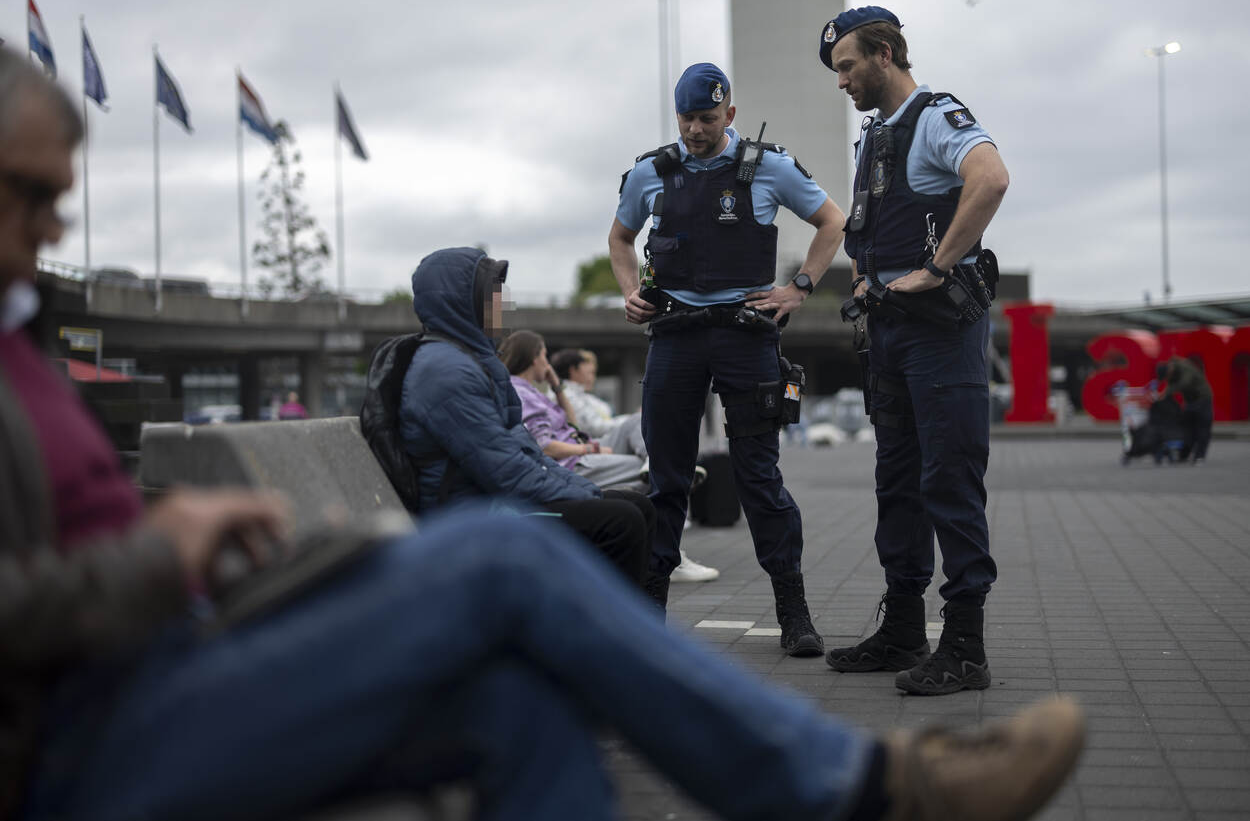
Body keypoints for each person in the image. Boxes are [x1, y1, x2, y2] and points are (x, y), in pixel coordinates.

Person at [0, 44, 1085, 821]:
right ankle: (863, 787)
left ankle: (823, 678)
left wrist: (795, 287)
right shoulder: (635, 193)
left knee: (526, 705)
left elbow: (830, 226)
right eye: (29, 194)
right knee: (515, 549)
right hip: (85, 727)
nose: (53, 225)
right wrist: (153, 556)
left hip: (167, 648)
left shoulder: (21, 339)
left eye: (60, 195)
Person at [609, 62, 845, 655]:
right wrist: (628, 291)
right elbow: (619, 239)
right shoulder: (651, 172)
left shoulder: (769, 168)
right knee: (666, 481)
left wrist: (799, 288)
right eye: (686, 119)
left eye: (707, 119)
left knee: (759, 479)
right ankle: (647, 617)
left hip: (746, 336)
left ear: (730, 115)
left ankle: (794, 612)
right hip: (675, 337)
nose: (694, 130)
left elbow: (832, 221)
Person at [818, 7, 1010, 694]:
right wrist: (867, 273)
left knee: (949, 481)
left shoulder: (936, 115)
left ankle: (965, 647)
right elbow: (872, 225)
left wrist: (938, 264)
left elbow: (989, 178)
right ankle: (903, 630)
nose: (841, 81)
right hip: (892, 335)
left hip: (940, 332)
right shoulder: (876, 137)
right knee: (896, 483)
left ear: (888, 52)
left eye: (847, 66)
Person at [396, 247, 651, 586]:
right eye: (494, 296)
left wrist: (584, 490)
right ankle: (609, 632)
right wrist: (587, 495)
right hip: (471, 515)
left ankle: (632, 625)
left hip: (489, 500)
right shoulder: (446, 371)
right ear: (463, 302)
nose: (503, 304)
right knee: (622, 521)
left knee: (637, 507)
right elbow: (504, 470)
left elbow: (524, 451)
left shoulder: (471, 361)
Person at [549, 346, 720, 582]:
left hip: (587, 448)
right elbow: (580, 431)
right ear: (573, 370)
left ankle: (652, 463)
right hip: (582, 455)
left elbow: (575, 428)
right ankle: (668, 556)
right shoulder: (556, 394)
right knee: (660, 463)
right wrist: (590, 445)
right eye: (589, 371)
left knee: (648, 441)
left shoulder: (572, 395)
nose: (593, 376)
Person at [499, 330, 646, 489]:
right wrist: (589, 449)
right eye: (544, 355)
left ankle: (651, 461)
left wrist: (557, 387)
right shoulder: (522, 393)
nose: (547, 363)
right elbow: (544, 446)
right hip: (572, 463)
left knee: (636, 422)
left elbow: (573, 427)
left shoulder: (530, 390)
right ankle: (652, 465)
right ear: (534, 358)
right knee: (641, 467)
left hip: (579, 449)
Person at [1156, 356, 1213, 463]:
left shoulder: (1184, 367)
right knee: (1187, 429)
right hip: (1190, 401)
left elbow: (1185, 383)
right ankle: (1184, 455)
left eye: (1166, 377)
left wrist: (1166, 392)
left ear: (1169, 369)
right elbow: (1169, 387)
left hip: (1203, 398)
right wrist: (1163, 395)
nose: (1166, 380)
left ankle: (1200, 456)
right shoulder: (1171, 374)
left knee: (1203, 429)